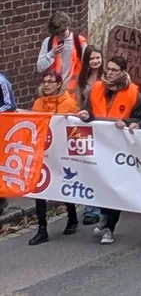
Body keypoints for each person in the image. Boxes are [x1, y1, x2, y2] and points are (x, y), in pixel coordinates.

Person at [75, 56, 141, 245]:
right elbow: (89, 111)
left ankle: (110, 227)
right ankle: (105, 216)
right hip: (99, 145)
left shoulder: (133, 92)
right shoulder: (96, 88)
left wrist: (128, 122)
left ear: (123, 72)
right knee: (102, 184)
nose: (110, 73)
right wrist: (85, 115)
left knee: (116, 187)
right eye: (109, 69)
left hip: (120, 148)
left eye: (115, 70)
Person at [27, 71, 81, 246]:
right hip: (42, 152)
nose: (47, 85)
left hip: (61, 152)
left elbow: (75, 128)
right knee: (40, 189)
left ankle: (72, 217)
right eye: (45, 82)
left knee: (64, 183)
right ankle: (42, 228)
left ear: (59, 84)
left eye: (51, 82)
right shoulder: (38, 103)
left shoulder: (69, 104)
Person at [36, 10, 87, 89]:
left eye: (62, 32)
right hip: (53, 89)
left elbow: (86, 67)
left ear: (68, 26)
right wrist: (51, 54)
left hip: (73, 90)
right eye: (57, 33)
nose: (60, 35)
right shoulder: (48, 42)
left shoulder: (80, 42)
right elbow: (40, 67)